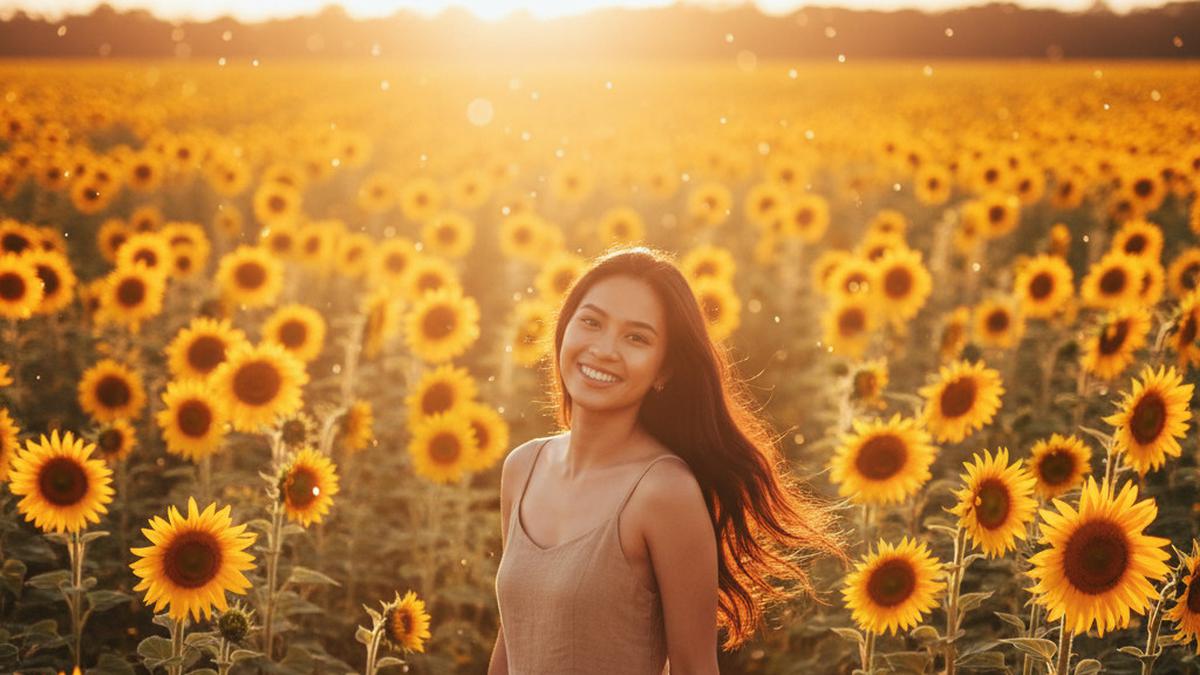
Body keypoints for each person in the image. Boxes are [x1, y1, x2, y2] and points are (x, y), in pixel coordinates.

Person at [491, 246, 849, 674]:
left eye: (636, 338)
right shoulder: (523, 468)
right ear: (564, 329)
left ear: (664, 371)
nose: (604, 349)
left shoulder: (662, 494)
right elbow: (512, 644)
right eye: (590, 322)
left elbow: (694, 668)